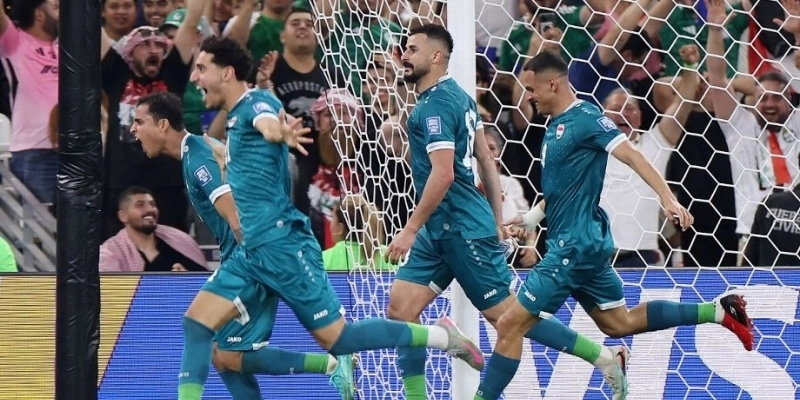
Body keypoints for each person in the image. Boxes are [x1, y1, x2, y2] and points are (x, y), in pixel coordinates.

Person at [182, 34, 483, 400]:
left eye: (201, 69)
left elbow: (267, 122)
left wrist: (278, 131)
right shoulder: (237, 115)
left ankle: (441, 337)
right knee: (197, 324)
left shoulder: (254, 105)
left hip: (283, 248)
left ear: (226, 73)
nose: (195, 79)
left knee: (340, 338)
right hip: (252, 255)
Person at [472, 51, 755, 400]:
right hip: (579, 243)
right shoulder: (554, 124)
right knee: (618, 323)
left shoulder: (588, 119)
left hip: (573, 248)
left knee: (509, 325)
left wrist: (669, 199)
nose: (528, 96)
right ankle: (718, 311)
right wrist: (531, 218)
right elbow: (561, 188)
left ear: (552, 83)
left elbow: (633, 155)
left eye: (531, 88)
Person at [384, 24, 625, 400]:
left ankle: (605, 358)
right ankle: (430, 367)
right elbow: (485, 161)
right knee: (400, 310)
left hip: (463, 230)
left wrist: (411, 227)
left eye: (412, 49)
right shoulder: (460, 98)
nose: (404, 55)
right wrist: (497, 218)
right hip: (442, 229)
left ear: (436, 56)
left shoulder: (435, 107)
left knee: (510, 320)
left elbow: (445, 172)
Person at [131, 91, 357, 399]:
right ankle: (333, 362)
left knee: (208, 338)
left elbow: (231, 205)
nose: (132, 129)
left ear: (163, 126)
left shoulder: (199, 157)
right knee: (224, 356)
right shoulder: (196, 151)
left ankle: (332, 363)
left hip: (252, 258)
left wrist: (250, 259)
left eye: (138, 121)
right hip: (252, 253)